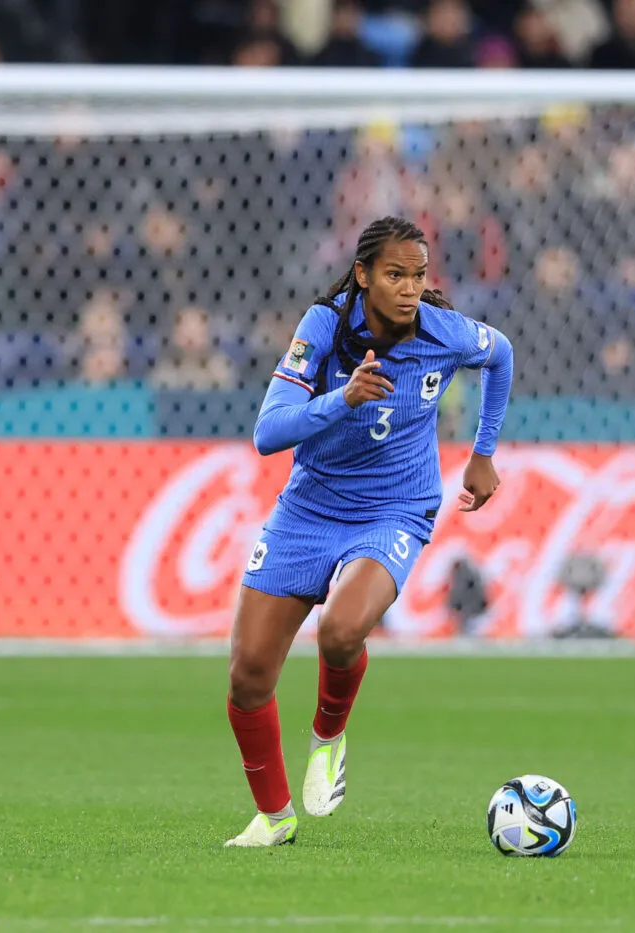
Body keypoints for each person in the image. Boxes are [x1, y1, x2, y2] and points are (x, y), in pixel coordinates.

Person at [224, 216, 514, 847]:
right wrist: (343, 399)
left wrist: (483, 454)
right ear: (362, 276)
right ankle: (274, 819)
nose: (409, 289)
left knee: (341, 629)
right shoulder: (323, 326)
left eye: (418, 275)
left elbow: (502, 354)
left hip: (394, 510)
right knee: (248, 676)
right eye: (394, 275)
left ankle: (329, 734)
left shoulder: (444, 333)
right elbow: (267, 433)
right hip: (308, 510)